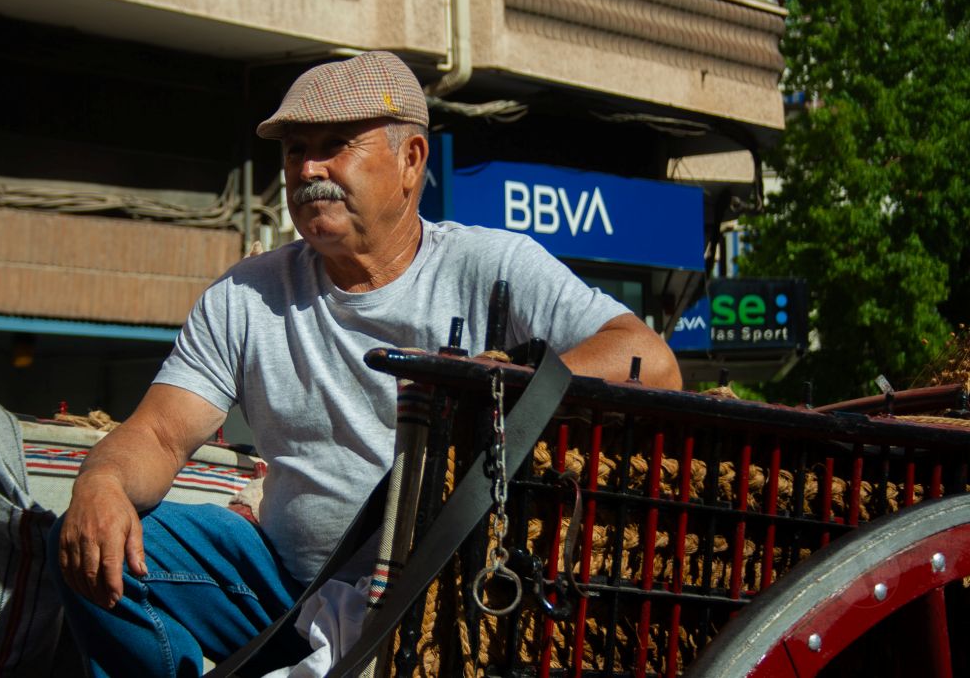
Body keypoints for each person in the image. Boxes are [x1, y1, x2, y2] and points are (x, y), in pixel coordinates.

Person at [51, 51, 682, 677]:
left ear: (411, 162)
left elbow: (649, 361)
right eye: (296, 150)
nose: (309, 168)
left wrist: (494, 390)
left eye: (335, 145)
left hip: (452, 604)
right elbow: (159, 434)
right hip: (285, 593)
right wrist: (101, 482)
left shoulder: (492, 267)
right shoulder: (245, 296)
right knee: (96, 545)